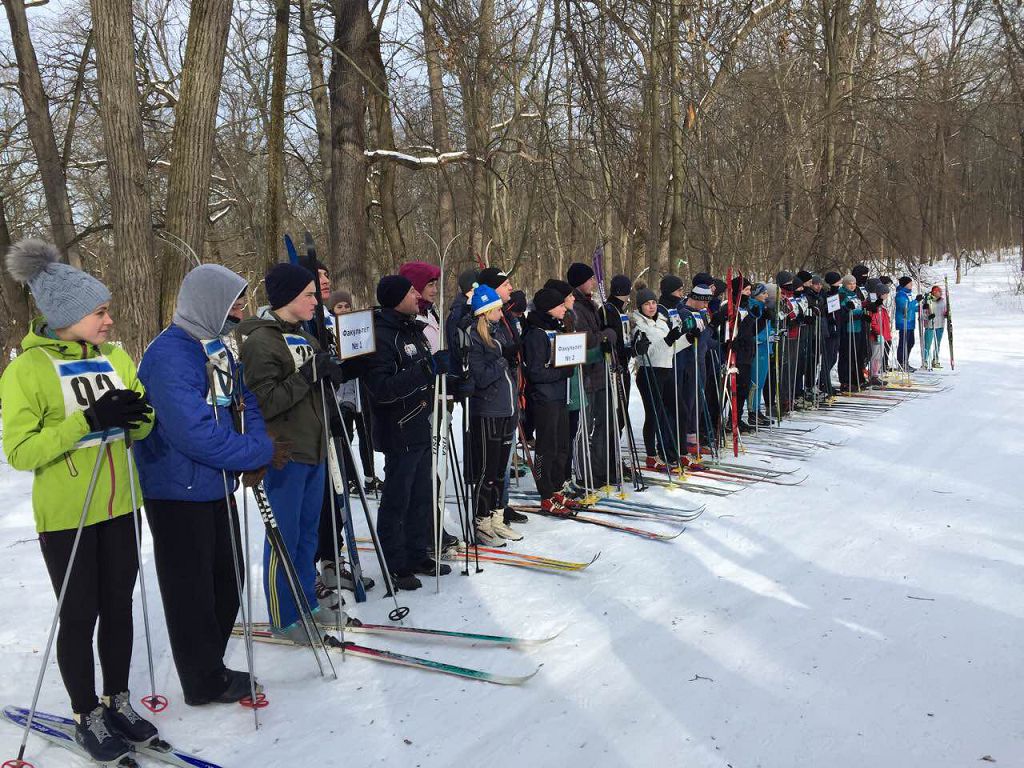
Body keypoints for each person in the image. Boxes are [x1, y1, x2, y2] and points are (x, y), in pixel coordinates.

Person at [1, 239, 158, 763]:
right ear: (66, 316)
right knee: (80, 613)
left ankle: (118, 699)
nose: (110, 321)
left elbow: (144, 412)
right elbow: (21, 452)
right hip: (68, 514)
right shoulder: (27, 370)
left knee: (119, 606)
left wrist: (139, 416)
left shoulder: (116, 358)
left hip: (120, 505)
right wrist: (87, 421)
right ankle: (85, 709)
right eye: (100, 312)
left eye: (107, 310)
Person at [136, 264, 278, 705]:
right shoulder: (169, 354)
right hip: (178, 491)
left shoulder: (215, 346)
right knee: (191, 591)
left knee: (226, 579)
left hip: (216, 487)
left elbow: (243, 399)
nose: (240, 307)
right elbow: (192, 432)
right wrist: (254, 454)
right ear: (208, 301)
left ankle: (209, 664)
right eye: (233, 299)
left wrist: (257, 440)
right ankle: (202, 680)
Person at [239, 263, 348, 643]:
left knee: (306, 537)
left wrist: (330, 373)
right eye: (308, 295)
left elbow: (314, 384)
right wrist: (307, 376)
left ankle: (306, 604)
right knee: (283, 539)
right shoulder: (259, 341)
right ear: (287, 298)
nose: (316, 301)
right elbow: (263, 401)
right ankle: (284, 618)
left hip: (314, 448)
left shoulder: (303, 335)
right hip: (284, 453)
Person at [362, 275, 451, 591]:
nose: (418, 295)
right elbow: (381, 389)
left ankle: (417, 552)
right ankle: (394, 561)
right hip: (398, 429)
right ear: (396, 297)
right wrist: (426, 370)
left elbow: (429, 371)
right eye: (412, 291)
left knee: (421, 495)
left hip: (421, 423)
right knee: (398, 498)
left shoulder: (413, 328)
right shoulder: (382, 334)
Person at [467, 284, 524, 542]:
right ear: (485, 312)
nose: (501, 314)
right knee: (487, 472)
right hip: (488, 410)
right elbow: (480, 377)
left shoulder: (499, 330)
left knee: (501, 471)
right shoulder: (475, 336)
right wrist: (503, 359)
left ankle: (497, 517)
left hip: (507, 408)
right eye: (497, 310)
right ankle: (481, 522)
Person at [522, 288, 575, 512]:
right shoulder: (536, 333)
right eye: (560, 305)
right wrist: (562, 372)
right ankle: (544, 492)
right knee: (546, 448)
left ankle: (556, 488)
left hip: (560, 395)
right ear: (549, 308)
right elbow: (535, 372)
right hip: (544, 398)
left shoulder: (554, 327)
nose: (564, 308)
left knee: (562, 445)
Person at [632, 287, 685, 470]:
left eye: (653, 302)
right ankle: (651, 455)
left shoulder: (662, 321)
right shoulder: (639, 326)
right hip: (649, 372)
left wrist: (685, 338)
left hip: (666, 370)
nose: (652, 306)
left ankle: (680, 451)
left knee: (680, 410)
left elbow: (671, 348)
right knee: (653, 415)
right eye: (647, 304)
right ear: (640, 307)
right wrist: (668, 340)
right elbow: (646, 354)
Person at [837, 274, 866, 390]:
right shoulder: (842, 295)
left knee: (856, 355)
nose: (852, 286)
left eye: (854, 284)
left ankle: (855, 378)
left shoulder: (855, 295)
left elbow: (859, 308)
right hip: (848, 329)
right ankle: (845, 380)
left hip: (857, 328)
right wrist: (850, 313)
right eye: (850, 284)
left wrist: (862, 315)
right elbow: (842, 311)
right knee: (847, 356)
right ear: (845, 284)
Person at [894, 276, 920, 371]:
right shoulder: (900, 294)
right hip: (904, 322)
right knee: (904, 343)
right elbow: (905, 308)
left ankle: (905, 361)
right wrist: (916, 301)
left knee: (910, 342)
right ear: (905, 284)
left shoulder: (908, 294)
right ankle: (901, 363)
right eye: (910, 283)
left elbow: (912, 308)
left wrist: (921, 308)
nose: (911, 285)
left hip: (910, 323)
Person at [920, 284, 947, 369]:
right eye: (938, 292)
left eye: (940, 292)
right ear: (934, 292)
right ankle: (924, 361)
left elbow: (945, 310)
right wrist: (928, 317)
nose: (940, 293)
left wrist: (946, 314)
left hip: (940, 325)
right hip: (930, 325)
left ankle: (935, 360)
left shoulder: (942, 301)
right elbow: (923, 313)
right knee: (927, 344)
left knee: (937, 344)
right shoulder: (927, 301)